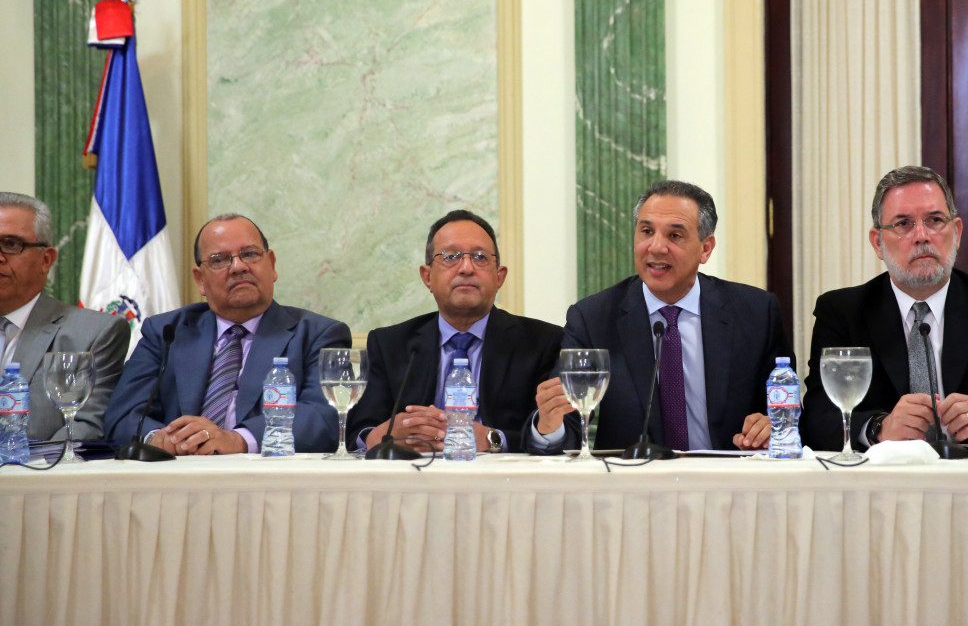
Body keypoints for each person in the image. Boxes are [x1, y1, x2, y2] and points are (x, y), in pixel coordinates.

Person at [529, 180, 792, 454]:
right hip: (632, 476)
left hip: (730, 475)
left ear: (706, 248)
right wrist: (550, 424)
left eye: (674, 235)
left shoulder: (756, 312)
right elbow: (568, 425)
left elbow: (787, 412)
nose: (656, 247)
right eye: (646, 231)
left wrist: (774, 426)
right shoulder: (593, 318)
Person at [800, 166, 968, 451]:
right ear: (877, 242)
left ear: (957, 232)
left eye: (935, 220)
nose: (922, 235)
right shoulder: (842, 312)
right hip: (882, 474)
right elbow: (817, 419)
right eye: (903, 223)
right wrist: (879, 428)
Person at [104, 213, 350, 454]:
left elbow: (324, 417)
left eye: (250, 254)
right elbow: (123, 415)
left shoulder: (318, 335)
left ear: (272, 265)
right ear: (200, 280)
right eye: (219, 260)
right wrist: (159, 438)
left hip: (268, 475)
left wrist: (238, 440)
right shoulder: (166, 332)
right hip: (179, 471)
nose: (238, 267)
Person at [346, 210, 562, 454]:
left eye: (480, 257)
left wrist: (492, 439)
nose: (466, 268)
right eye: (450, 257)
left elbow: (560, 433)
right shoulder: (390, 344)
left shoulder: (542, 342)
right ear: (427, 276)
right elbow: (357, 433)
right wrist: (382, 435)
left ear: (499, 277)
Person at [0, 192, 130, 442]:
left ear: (46, 259)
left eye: (12, 244)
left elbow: (85, 425)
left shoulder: (94, 333)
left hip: (38, 466)